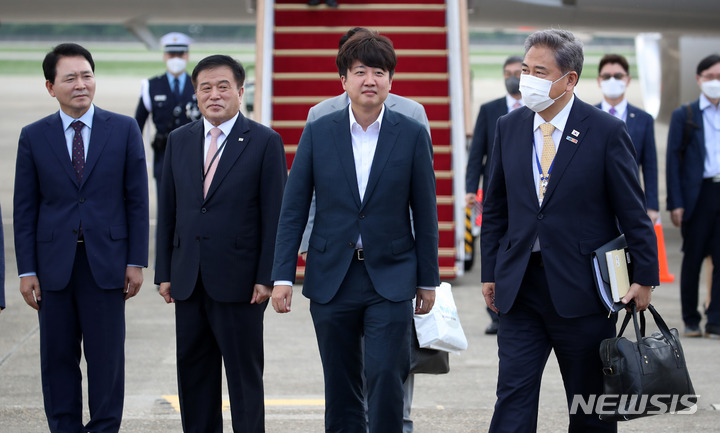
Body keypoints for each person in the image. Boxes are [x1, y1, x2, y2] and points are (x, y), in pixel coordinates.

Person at [480, 29, 659, 432]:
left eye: (539, 72)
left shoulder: (605, 131)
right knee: (512, 394)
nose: (528, 79)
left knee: (590, 403)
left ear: (570, 79)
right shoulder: (509, 127)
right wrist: (489, 272)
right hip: (520, 288)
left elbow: (632, 212)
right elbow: (495, 209)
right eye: (525, 69)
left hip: (582, 292)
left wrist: (645, 277)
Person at [271, 31, 439, 433]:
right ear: (343, 80)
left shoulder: (410, 132)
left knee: (385, 375)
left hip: (391, 276)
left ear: (390, 81)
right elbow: (294, 207)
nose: (369, 80)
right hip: (333, 275)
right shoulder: (319, 129)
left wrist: (428, 280)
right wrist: (281, 276)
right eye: (359, 71)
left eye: (378, 72)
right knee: (341, 383)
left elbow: (426, 209)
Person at [13, 43, 149, 433]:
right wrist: (27, 270)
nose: (80, 84)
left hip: (106, 265)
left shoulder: (123, 129)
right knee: (57, 358)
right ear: (50, 86)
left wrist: (135, 261)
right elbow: (25, 209)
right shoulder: (33, 136)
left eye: (86, 75)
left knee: (107, 360)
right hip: (54, 267)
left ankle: (105, 428)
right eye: (69, 77)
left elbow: (137, 201)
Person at [155, 54, 287, 432]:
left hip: (242, 283)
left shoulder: (264, 141)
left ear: (241, 92)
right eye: (206, 88)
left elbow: (274, 215)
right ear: (195, 95)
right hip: (189, 279)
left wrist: (269, 276)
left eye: (223, 86)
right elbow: (169, 210)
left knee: (244, 381)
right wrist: (165, 271)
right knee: (194, 378)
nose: (214, 94)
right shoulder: (180, 141)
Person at [465, 54, 524, 335]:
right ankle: (495, 314)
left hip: (525, 194)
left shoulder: (536, 108)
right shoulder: (490, 110)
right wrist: (469, 189)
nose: (513, 77)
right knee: (495, 247)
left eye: (518, 72)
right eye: (508, 72)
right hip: (495, 193)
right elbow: (477, 153)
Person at [666, 53, 720, 339]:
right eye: (710, 77)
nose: (715, 83)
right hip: (698, 194)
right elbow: (673, 161)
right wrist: (675, 202)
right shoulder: (685, 115)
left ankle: (715, 319)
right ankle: (690, 319)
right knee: (693, 257)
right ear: (699, 79)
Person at [595, 53, 659, 224]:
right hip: (594, 201)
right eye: (607, 76)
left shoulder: (643, 119)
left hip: (630, 199)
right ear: (599, 80)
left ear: (628, 80)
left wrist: (652, 206)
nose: (612, 81)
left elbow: (650, 165)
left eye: (618, 76)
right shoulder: (588, 116)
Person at [135, 32, 200, 196]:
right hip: (164, 155)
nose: (176, 58)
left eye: (180, 54)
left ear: (187, 56)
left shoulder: (199, 85)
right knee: (165, 206)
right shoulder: (151, 86)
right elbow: (137, 125)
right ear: (165, 56)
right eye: (172, 54)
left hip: (194, 154)